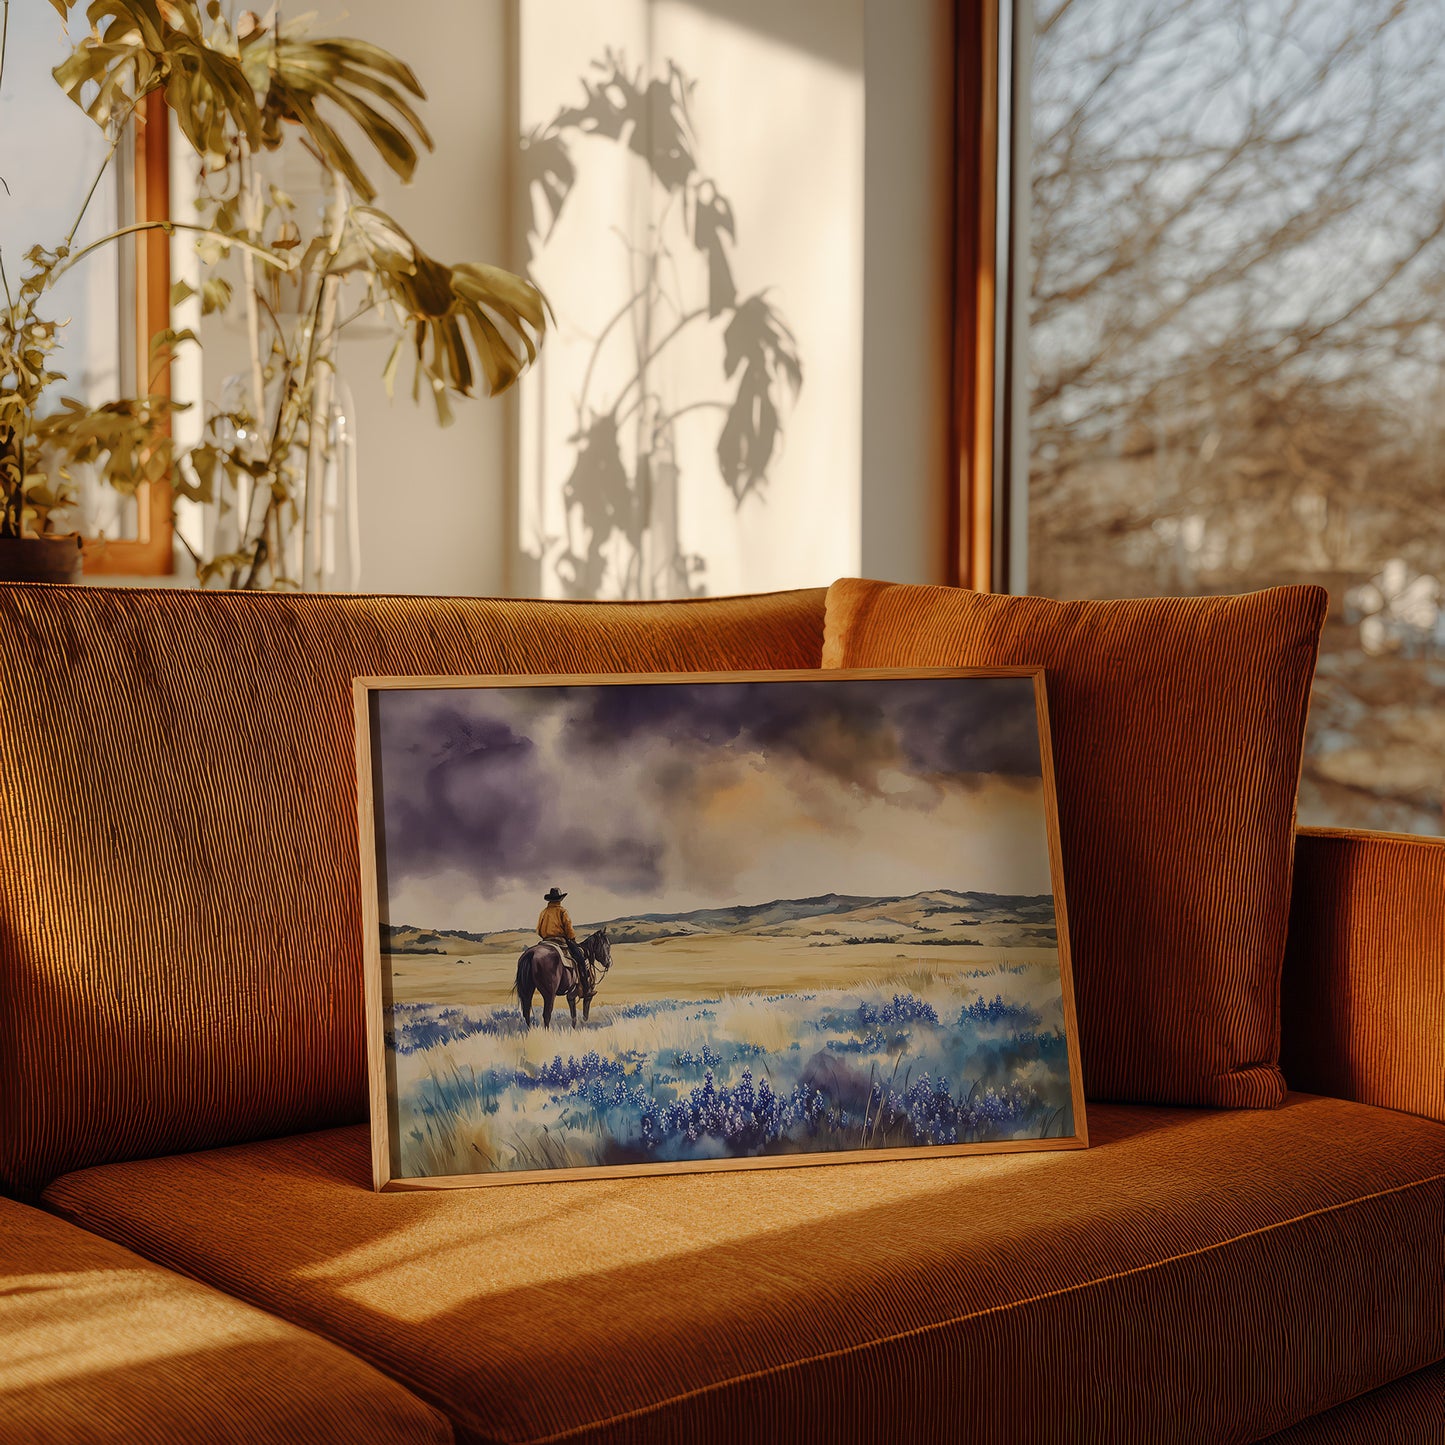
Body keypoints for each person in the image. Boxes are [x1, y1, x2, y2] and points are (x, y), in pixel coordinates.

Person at [537, 887, 586, 974]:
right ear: (560, 899)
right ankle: (583, 978)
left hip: (546, 940)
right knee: (580, 957)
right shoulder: (563, 911)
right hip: (560, 941)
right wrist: (572, 938)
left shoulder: (543, 912)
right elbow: (568, 928)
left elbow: (538, 930)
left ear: (550, 900)